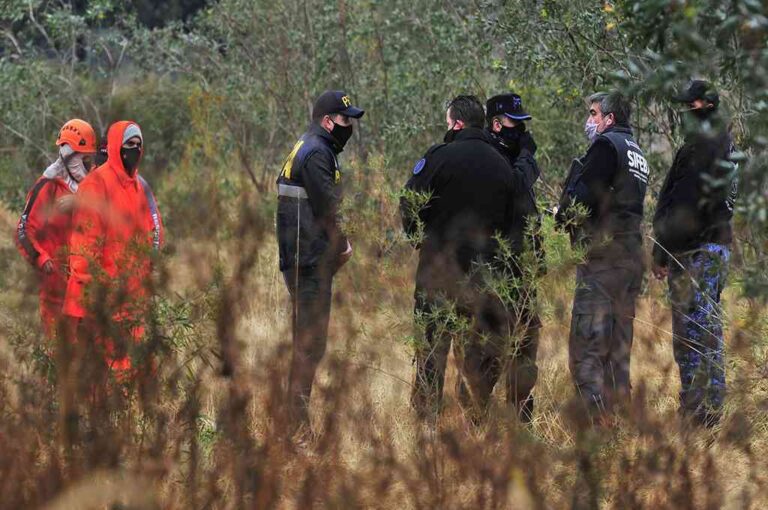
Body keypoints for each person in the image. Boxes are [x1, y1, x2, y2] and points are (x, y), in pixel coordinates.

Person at [400, 95, 528, 421]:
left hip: (438, 274)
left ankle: (426, 427)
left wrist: (421, 241)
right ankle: (474, 427)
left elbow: (410, 205)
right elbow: (516, 226)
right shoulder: (504, 166)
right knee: (477, 356)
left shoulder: (439, 157)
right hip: (484, 278)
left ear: (456, 123)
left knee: (431, 352)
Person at [275, 90, 364, 434]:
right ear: (328, 121)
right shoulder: (315, 153)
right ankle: (295, 427)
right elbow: (328, 208)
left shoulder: (313, 146)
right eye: (345, 120)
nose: (349, 126)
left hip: (305, 257)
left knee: (310, 342)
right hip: (307, 260)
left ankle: (294, 422)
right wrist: (341, 246)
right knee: (310, 343)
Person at [556, 91, 648, 418]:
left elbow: (582, 199)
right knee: (617, 351)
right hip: (629, 261)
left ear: (609, 119)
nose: (589, 121)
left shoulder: (606, 146)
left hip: (602, 261)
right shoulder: (637, 153)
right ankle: (619, 425)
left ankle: (594, 431)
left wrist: (561, 215)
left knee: (588, 350)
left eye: (593, 114)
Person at [651, 80, 738, 428]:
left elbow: (683, 206)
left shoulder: (703, 146)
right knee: (707, 330)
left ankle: (699, 413)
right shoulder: (725, 144)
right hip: (714, 247)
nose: (682, 114)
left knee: (693, 333)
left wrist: (661, 252)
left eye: (687, 107)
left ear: (702, 106)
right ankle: (706, 408)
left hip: (696, 251)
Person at [63, 120, 163, 376]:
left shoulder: (139, 186)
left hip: (133, 298)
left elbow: (152, 233)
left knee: (134, 371)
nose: (135, 150)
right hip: (104, 298)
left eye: (139, 145)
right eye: (129, 144)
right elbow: (84, 245)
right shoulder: (97, 184)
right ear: (117, 145)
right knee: (106, 373)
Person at [485, 92, 544, 422]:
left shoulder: (514, 156)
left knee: (525, 346)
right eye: (514, 123)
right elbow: (516, 186)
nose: (521, 131)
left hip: (523, 270)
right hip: (498, 270)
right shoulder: (493, 158)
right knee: (492, 347)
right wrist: (528, 157)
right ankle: (477, 415)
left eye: (523, 124)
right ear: (496, 124)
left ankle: (521, 418)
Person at [16, 119, 97, 339]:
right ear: (70, 158)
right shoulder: (47, 186)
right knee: (60, 360)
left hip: (88, 289)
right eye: (85, 159)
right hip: (57, 293)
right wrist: (43, 261)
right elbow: (23, 232)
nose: (89, 165)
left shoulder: (93, 187)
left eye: (91, 159)